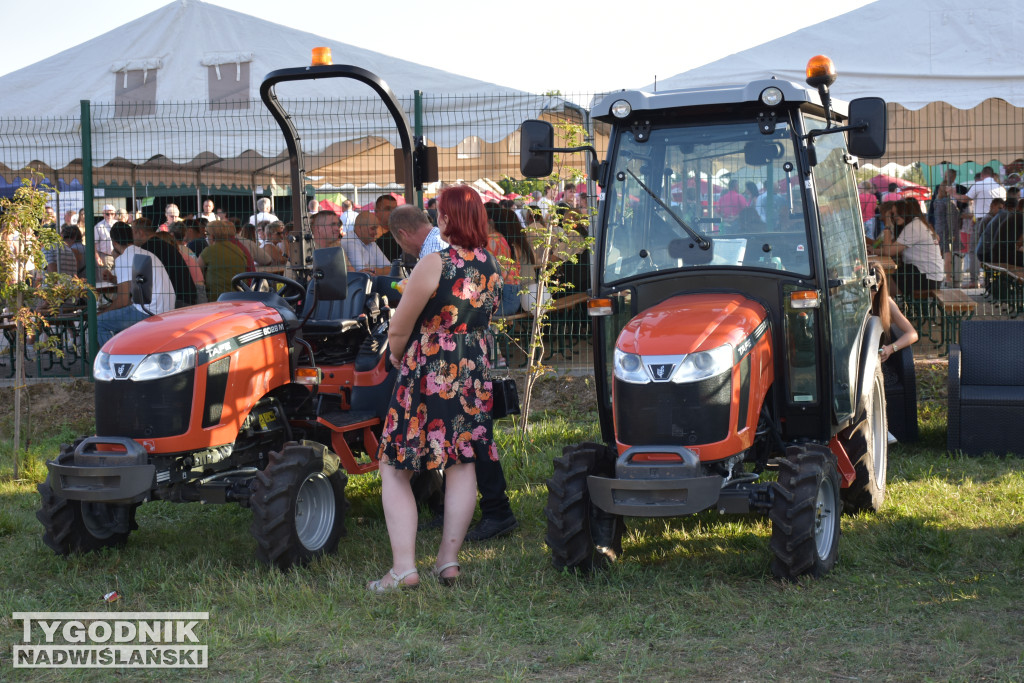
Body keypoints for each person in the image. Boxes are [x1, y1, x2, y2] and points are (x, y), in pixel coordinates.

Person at [366, 184, 502, 591]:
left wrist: (394, 355)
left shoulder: (434, 263)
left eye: (440, 212)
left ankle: (403, 569)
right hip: (473, 370)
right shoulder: (490, 264)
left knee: (394, 465)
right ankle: (447, 561)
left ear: (447, 219)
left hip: (429, 369)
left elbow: (399, 326)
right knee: (462, 461)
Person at [96, 222, 175, 346]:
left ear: (114, 242)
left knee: (98, 322)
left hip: (148, 312)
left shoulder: (124, 258)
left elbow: (123, 300)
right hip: (166, 309)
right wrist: (113, 279)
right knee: (114, 318)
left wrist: (104, 312)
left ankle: (111, 361)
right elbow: (135, 283)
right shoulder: (145, 253)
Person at [875, 198, 944, 294]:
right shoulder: (916, 224)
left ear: (904, 212)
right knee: (885, 277)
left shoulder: (913, 227)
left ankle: (887, 306)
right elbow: (893, 248)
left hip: (926, 277)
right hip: (930, 275)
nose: (894, 216)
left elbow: (888, 251)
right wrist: (873, 251)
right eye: (892, 214)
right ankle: (888, 304)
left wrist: (887, 226)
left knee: (883, 278)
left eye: (895, 213)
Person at [134, 217, 199, 307]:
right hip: (186, 298)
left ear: (140, 233)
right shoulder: (163, 245)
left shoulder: (147, 249)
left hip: (175, 302)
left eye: (132, 233)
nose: (131, 238)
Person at [199, 221, 250, 302]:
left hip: (217, 299)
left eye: (207, 234)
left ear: (212, 236)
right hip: (238, 298)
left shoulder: (208, 251)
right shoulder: (238, 250)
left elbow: (198, 273)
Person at [373, 194, 401, 261]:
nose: (392, 212)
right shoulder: (370, 232)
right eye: (388, 209)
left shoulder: (401, 232)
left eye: (395, 209)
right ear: (376, 211)